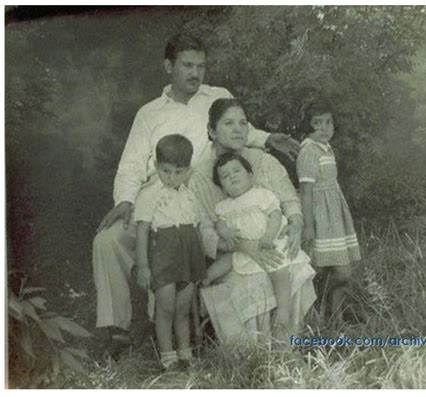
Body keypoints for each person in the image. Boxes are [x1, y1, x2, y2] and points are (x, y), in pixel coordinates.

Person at [93, 33, 299, 346]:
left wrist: (268, 139)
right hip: (158, 197)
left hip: (202, 201)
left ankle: (174, 325)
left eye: (200, 66)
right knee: (107, 241)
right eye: (187, 65)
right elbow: (132, 165)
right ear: (168, 66)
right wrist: (124, 200)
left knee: (187, 241)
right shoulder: (149, 113)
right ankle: (118, 329)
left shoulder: (216, 95)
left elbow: (236, 126)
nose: (195, 73)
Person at [188, 98, 316, 343]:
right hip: (233, 254)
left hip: (272, 242)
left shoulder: (264, 161)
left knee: (290, 268)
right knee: (254, 281)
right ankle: (253, 353)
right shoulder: (200, 178)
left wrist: (296, 225)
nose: (238, 129)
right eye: (228, 123)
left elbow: (289, 201)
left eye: (243, 123)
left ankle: (288, 341)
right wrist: (245, 246)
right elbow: (204, 232)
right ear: (212, 131)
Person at [202, 153, 312, 337]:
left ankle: (283, 313)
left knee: (279, 269)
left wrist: (269, 236)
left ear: (250, 175)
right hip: (244, 248)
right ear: (222, 186)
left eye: (237, 171)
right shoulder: (223, 206)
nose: (232, 177)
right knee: (227, 261)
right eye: (225, 177)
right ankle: (204, 280)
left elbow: (275, 215)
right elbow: (219, 223)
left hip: (269, 242)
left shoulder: (261, 194)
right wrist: (225, 232)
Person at [133, 134, 206, 369]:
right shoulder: (149, 194)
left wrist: (199, 258)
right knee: (165, 307)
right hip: (163, 257)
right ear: (156, 166)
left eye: (178, 172)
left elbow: (196, 229)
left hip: (187, 256)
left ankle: (185, 353)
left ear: (188, 171)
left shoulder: (189, 195)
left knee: (183, 308)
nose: (172, 178)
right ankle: (168, 356)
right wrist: (144, 265)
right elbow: (143, 230)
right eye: (166, 171)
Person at [296, 101, 361, 322]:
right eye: (318, 123)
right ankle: (317, 308)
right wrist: (308, 226)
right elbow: (306, 192)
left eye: (328, 122)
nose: (325, 128)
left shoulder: (326, 149)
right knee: (334, 270)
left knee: (343, 270)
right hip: (319, 217)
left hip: (335, 216)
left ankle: (337, 318)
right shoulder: (308, 151)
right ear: (307, 126)